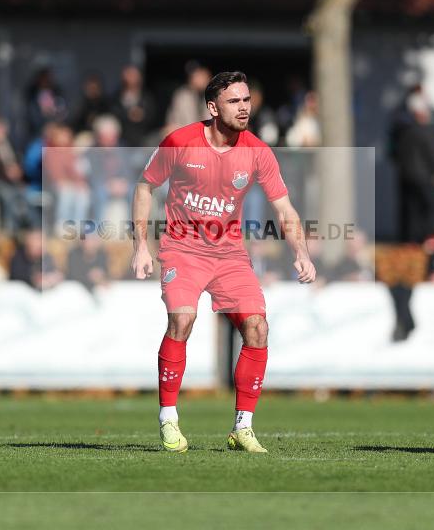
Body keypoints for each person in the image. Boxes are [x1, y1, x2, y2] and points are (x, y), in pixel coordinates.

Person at [131, 71, 316, 454]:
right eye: (234, 101)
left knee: (257, 328)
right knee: (182, 319)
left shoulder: (257, 152)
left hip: (230, 254)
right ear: (213, 108)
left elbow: (284, 208)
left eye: (247, 99)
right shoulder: (180, 142)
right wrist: (140, 246)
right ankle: (168, 418)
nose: (244, 107)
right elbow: (145, 186)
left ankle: (242, 428)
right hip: (183, 249)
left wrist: (301, 252)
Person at [391, 89, 434, 243]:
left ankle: (409, 243)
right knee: (427, 212)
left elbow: (395, 153)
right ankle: (425, 241)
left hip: (406, 176)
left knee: (409, 213)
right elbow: (433, 155)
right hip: (424, 177)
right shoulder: (426, 131)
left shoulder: (402, 131)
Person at [111, 65, 156, 146]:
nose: (131, 79)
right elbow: (113, 112)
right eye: (128, 76)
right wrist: (128, 114)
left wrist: (142, 115)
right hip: (123, 134)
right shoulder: (117, 96)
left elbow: (153, 115)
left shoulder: (146, 97)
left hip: (142, 134)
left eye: (133, 76)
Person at [164, 62, 211, 134]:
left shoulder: (214, 95)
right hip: (187, 134)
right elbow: (173, 121)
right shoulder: (182, 95)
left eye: (201, 75)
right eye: (195, 76)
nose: (198, 79)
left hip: (207, 135)